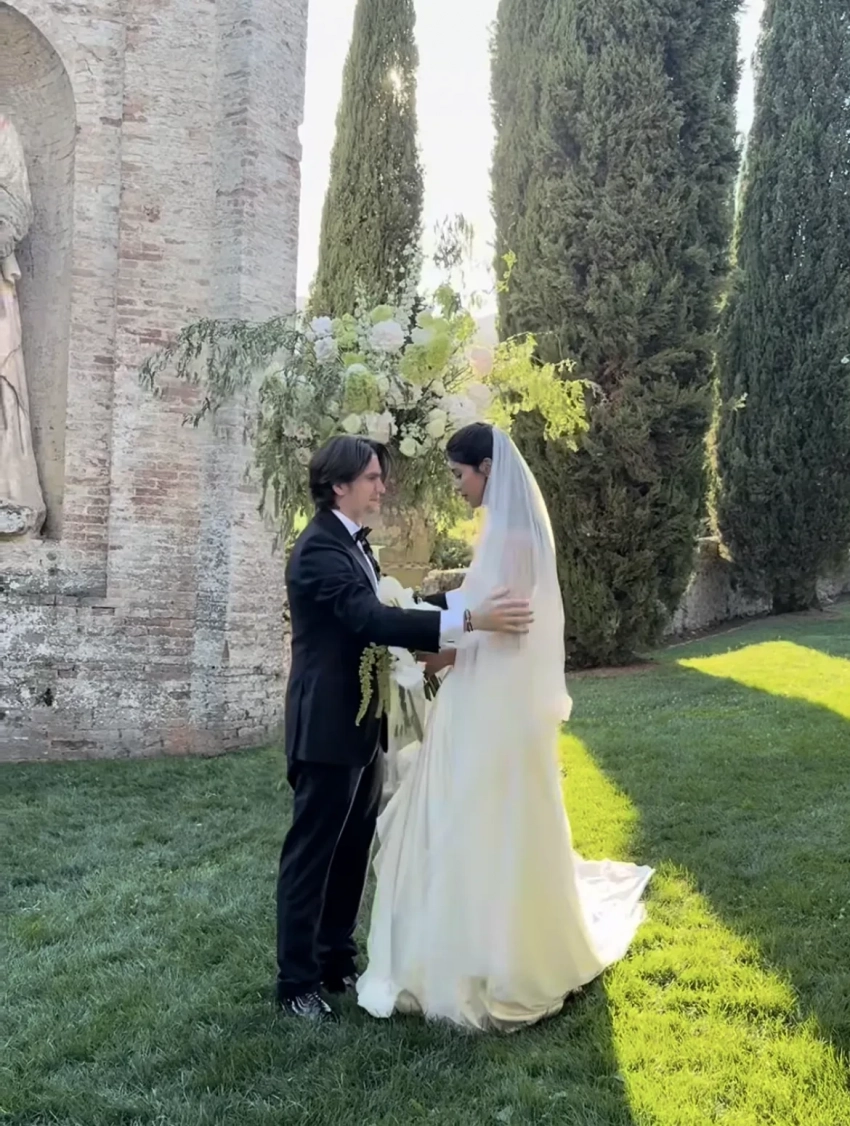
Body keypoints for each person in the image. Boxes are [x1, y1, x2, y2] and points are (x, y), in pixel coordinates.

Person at [357, 423, 653, 1031]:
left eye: (459, 475)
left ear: (487, 470)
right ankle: (458, 947)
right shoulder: (500, 531)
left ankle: (498, 958)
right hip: (476, 688)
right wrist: (440, 648)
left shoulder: (515, 537)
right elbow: (484, 617)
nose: (456, 486)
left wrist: (443, 639)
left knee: (484, 812)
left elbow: (508, 623)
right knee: (467, 810)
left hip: (493, 701)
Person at [276, 434, 535, 1022]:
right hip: (326, 725)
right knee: (313, 855)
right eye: (372, 477)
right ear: (339, 485)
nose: (382, 487)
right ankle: (296, 985)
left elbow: (394, 605)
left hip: (365, 721)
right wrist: (471, 619)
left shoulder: (352, 544)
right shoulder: (318, 549)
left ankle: (335, 961)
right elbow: (369, 618)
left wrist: (460, 601)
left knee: (352, 847)